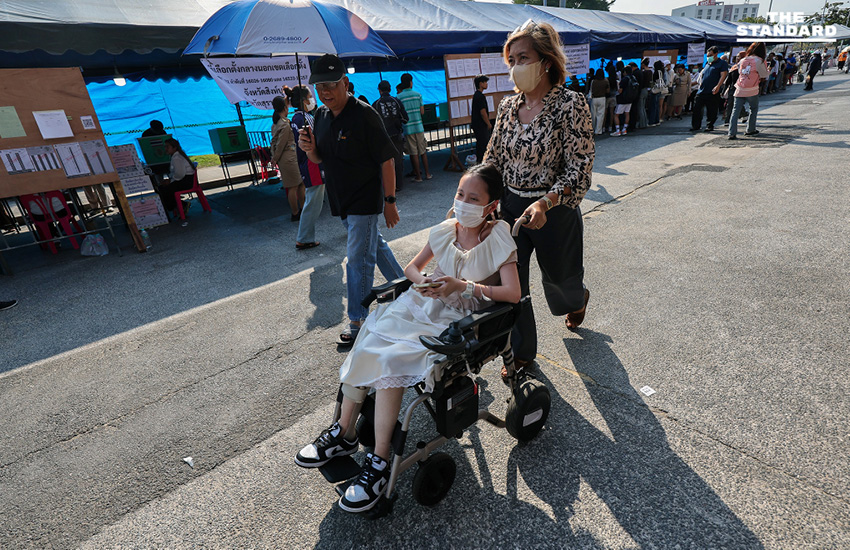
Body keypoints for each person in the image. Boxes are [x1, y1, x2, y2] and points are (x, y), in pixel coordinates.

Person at [294, 164, 520, 513]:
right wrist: (424, 281)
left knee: (390, 360)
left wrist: (464, 287)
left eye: (473, 198)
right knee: (368, 338)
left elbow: (513, 293)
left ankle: (380, 461)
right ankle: (343, 432)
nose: (463, 202)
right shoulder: (446, 230)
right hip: (422, 304)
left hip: (458, 320)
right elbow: (411, 268)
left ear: (491, 206)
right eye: (460, 194)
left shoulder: (499, 238)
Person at [483, 19, 595, 376]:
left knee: (561, 283)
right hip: (510, 209)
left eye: (523, 58)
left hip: (554, 210)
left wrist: (547, 201)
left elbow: (580, 166)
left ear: (546, 61)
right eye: (511, 60)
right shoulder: (506, 107)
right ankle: (521, 352)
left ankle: (577, 300)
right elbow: (493, 159)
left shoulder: (570, 104)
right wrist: (475, 198)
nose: (516, 66)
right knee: (511, 283)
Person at [298, 54, 405, 346]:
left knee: (357, 258)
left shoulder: (364, 114)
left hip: (364, 199)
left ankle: (358, 320)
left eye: (332, 84)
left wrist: (390, 201)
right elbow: (320, 158)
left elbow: (387, 159)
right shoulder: (320, 116)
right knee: (374, 245)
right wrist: (308, 148)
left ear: (345, 83)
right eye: (320, 86)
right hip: (340, 199)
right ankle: (406, 288)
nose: (326, 92)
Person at [288, 85, 325, 250]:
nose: (312, 99)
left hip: (306, 162)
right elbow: (317, 139)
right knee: (313, 202)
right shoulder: (305, 118)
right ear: (304, 100)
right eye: (310, 96)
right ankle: (304, 238)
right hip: (312, 163)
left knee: (314, 200)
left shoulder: (295, 118)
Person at [271, 94, 305, 222]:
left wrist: (274, 157)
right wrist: (275, 158)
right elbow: (281, 144)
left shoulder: (276, 124)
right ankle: (295, 212)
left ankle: (302, 209)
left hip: (285, 158)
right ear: (285, 107)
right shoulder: (285, 124)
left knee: (298, 184)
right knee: (293, 186)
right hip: (288, 157)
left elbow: (274, 143)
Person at [372, 80, 408, 192]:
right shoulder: (396, 101)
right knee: (398, 161)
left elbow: (373, 124)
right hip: (397, 135)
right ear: (390, 89)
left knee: (385, 162)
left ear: (379, 90)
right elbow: (405, 119)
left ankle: (389, 186)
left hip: (383, 137)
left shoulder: (376, 104)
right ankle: (399, 184)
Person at [728, 42, 768, 140]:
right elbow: (764, 74)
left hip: (740, 88)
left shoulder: (743, 60)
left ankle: (731, 132)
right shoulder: (759, 61)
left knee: (735, 111)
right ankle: (750, 129)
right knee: (753, 109)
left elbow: (740, 72)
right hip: (752, 89)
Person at [397, 73, 432, 182]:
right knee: (423, 151)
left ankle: (418, 176)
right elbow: (422, 112)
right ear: (411, 82)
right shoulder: (418, 95)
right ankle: (427, 174)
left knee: (413, 153)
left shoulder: (399, 97)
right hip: (419, 126)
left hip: (408, 128)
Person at [690, 46, 728, 132]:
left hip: (713, 91)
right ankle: (696, 125)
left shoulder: (722, 63)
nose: (708, 57)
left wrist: (718, 86)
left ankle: (710, 125)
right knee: (696, 108)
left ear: (716, 54)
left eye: (710, 55)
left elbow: (723, 75)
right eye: (707, 55)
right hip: (702, 90)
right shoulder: (707, 64)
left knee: (711, 110)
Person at [157, 138, 196, 218]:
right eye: (165, 147)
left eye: (167, 147)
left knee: (164, 189)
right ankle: (178, 205)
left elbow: (179, 174)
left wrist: (170, 181)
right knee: (163, 188)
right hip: (185, 180)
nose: (165, 149)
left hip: (186, 182)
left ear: (174, 148)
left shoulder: (177, 158)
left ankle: (180, 205)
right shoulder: (176, 156)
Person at [470, 74, 493, 163]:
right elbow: (483, 112)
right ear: (480, 84)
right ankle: (483, 162)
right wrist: (488, 123)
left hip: (477, 125)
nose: (486, 84)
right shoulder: (480, 96)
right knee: (483, 145)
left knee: (480, 144)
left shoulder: (476, 95)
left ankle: (480, 162)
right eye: (485, 82)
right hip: (480, 125)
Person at [612, 66, 637, 136]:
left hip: (622, 99)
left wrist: (618, 86)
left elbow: (620, 90)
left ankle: (618, 130)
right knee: (627, 114)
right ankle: (624, 129)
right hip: (630, 99)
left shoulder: (625, 79)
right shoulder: (633, 78)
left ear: (625, 72)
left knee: (616, 115)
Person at [589, 69, 610, 135]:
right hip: (602, 98)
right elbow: (608, 91)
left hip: (594, 99)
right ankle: (598, 131)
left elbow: (591, 90)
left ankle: (593, 128)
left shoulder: (593, 81)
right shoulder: (606, 81)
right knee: (600, 115)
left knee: (593, 115)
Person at [636, 58, 652, 129]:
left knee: (641, 107)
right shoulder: (650, 71)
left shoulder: (643, 72)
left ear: (643, 64)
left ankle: (642, 123)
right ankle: (645, 122)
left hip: (642, 90)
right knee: (644, 107)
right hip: (647, 90)